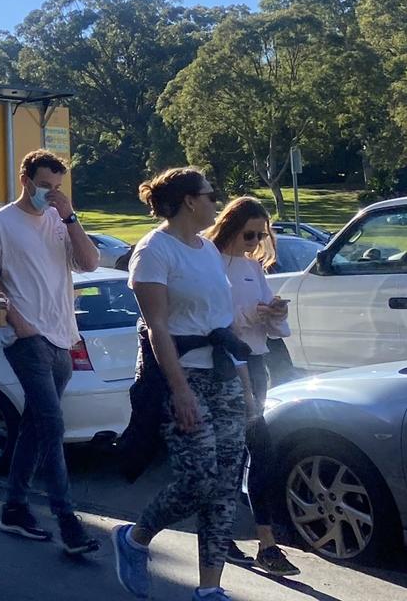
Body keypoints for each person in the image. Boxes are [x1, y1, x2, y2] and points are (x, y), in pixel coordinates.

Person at [113, 168, 256, 601]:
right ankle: (135, 538)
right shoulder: (154, 251)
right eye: (211, 195)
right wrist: (179, 391)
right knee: (199, 479)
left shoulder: (207, 250)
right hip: (182, 376)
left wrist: (246, 387)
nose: (217, 201)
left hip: (223, 374)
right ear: (190, 201)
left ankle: (209, 589)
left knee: (227, 482)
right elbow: (157, 327)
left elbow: (223, 324)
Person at [0, 149, 101, 555]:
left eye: (58, 187)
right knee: (51, 425)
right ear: (25, 179)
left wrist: (70, 215)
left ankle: (13, 507)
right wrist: (16, 321)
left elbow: (90, 263)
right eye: (45, 186)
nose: (51, 193)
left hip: (63, 337)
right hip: (25, 338)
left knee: (34, 426)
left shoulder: (60, 221)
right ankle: (67, 520)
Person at [207, 197, 299, 576]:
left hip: (257, 365)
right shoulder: (208, 262)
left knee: (259, 454)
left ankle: (265, 542)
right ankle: (226, 535)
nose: (254, 241)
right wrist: (251, 314)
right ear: (231, 225)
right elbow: (212, 320)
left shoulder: (252, 268)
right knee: (231, 456)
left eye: (261, 235)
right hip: (223, 367)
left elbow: (272, 330)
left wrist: (276, 314)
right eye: (249, 233)